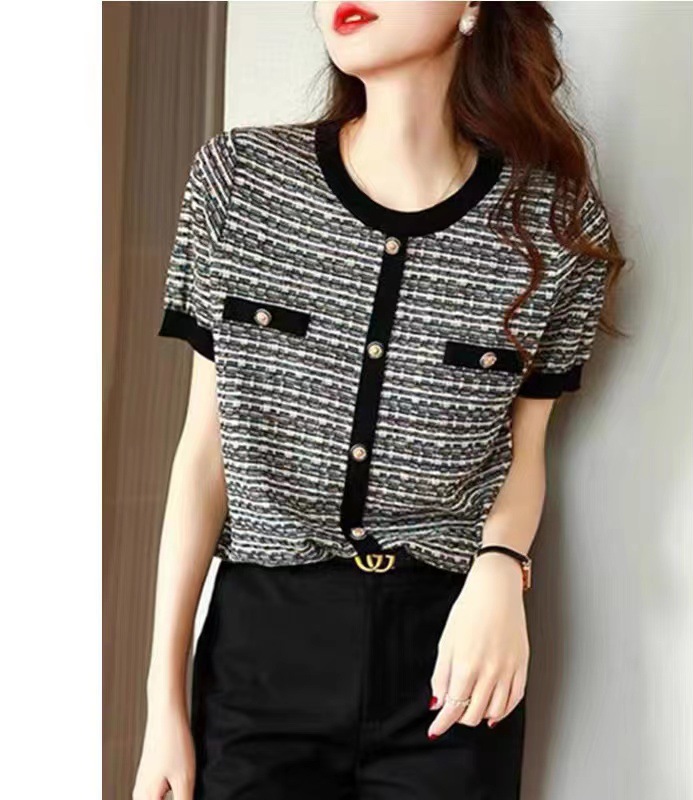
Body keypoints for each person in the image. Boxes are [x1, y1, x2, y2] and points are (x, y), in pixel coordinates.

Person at [133, 1, 625, 798]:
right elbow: (204, 451)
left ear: (473, 7)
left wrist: (501, 568)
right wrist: (164, 700)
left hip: (451, 658)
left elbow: (526, 450)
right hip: (263, 651)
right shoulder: (242, 180)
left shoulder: (553, 225)